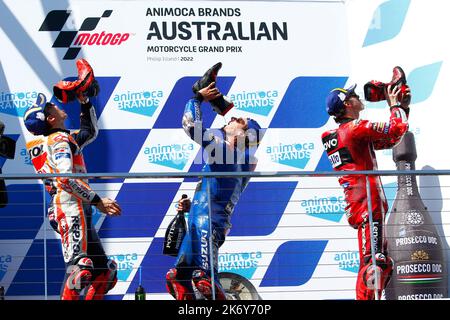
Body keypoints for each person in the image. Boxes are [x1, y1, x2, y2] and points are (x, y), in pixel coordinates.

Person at [165, 81, 264, 300]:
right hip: (202, 218)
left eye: (240, 121)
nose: (232, 118)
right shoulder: (240, 161)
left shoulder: (227, 153)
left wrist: (197, 99)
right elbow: (220, 191)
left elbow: (191, 126)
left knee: (205, 281)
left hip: (206, 223)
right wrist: (195, 203)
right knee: (177, 278)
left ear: (245, 136)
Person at [23, 92, 122, 300]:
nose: (57, 106)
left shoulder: (58, 138)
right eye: (52, 106)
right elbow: (65, 179)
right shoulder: (59, 140)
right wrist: (98, 201)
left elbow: (89, 132)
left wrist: (84, 101)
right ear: (50, 118)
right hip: (67, 205)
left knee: (105, 273)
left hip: (75, 205)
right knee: (80, 269)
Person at [321, 82, 411, 300]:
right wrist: (395, 105)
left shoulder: (339, 134)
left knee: (381, 263)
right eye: (352, 95)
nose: (357, 97)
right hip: (368, 205)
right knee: (375, 265)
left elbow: (390, 139)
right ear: (347, 105)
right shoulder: (355, 128)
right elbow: (397, 129)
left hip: (361, 204)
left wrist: (402, 109)